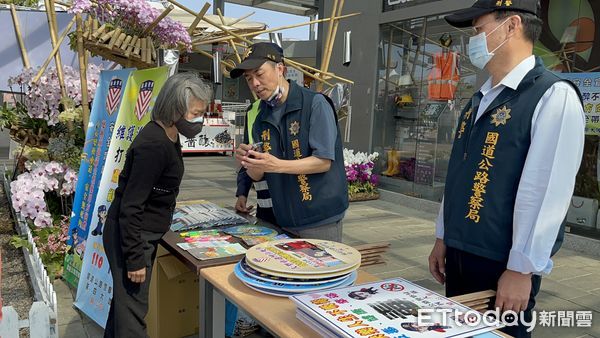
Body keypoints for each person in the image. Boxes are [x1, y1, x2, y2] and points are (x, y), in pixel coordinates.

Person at [428, 1, 585, 337]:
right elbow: (460, 174)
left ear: (512, 26)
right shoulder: (479, 99)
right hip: (460, 250)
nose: (472, 41)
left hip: (501, 262)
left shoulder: (552, 95)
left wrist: (522, 269)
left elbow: (546, 193)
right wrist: (444, 236)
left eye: (478, 30)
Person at [102, 73, 212, 337]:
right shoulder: (153, 144)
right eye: (194, 114)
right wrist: (135, 259)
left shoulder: (169, 135)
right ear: (175, 109)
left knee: (124, 307)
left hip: (144, 233)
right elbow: (131, 206)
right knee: (133, 315)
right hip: (132, 237)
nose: (199, 121)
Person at [232, 42, 349, 242]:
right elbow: (258, 174)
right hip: (280, 217)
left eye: (259, 74)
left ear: (280, 69)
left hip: (319, 219)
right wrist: (248, 162)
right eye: (249, 78)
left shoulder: (315, 103)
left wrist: (276, 165)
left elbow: (323, 161)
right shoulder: (258, 115)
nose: (255, 84)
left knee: (319, 272)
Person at [235, 99, 277, 224]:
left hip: (294, 209)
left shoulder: (301, 105)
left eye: (259, 77)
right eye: (248, 78)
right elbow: (249, 156)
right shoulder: (253, 110)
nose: (255, 83)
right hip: (265, 205)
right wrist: (242, 193)